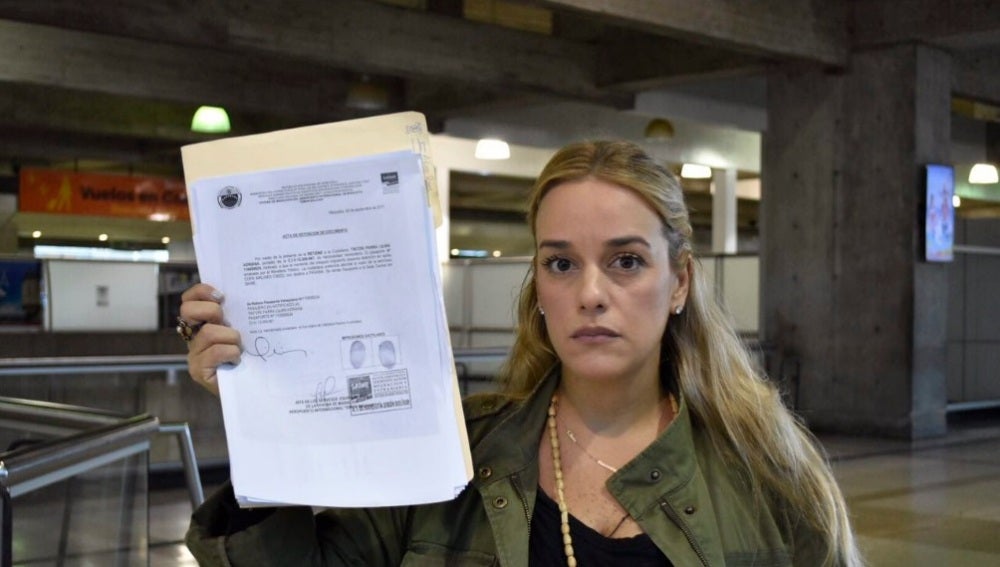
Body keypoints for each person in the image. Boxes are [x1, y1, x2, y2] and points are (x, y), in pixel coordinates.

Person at [181, 140, 863, 566]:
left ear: (679, 282)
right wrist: (257, 405)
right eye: (561, 264)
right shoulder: (451, 457)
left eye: (626, 261)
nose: (590, 294)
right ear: (538, 285)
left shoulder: (767, 475)